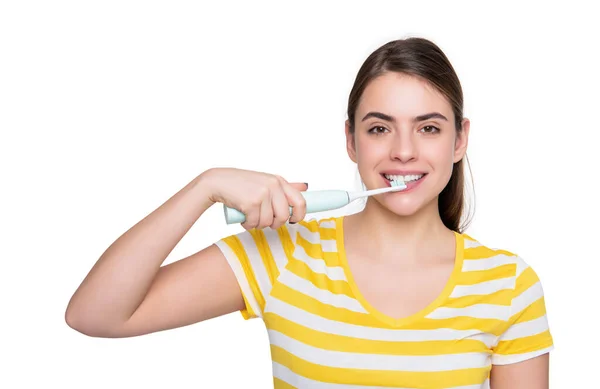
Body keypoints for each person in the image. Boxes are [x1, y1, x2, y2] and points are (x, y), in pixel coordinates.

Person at [65, 37, 554, 388]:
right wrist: (204, 187)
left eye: (427, 128)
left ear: (459, 140)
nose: (404, 151)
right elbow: (96, 314)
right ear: (351, 140)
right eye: (380, 129)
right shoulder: (283, 254)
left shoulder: (508, 284)